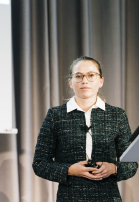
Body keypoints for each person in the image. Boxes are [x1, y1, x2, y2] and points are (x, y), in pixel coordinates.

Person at [33, 56, 138, 201]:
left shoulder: (117, 115)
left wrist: (113, 168)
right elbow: (39, 164)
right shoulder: (55, 115)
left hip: (108, 197)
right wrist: (69, 170)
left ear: (101, 81)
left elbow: (131, 164)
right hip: (69, 197)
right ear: (70, 82)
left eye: (91, 75)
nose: (84, 80)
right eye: (79, 76)